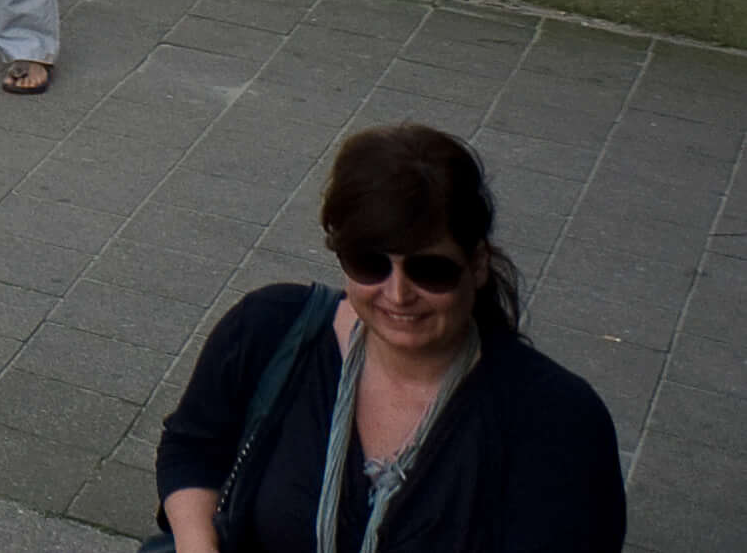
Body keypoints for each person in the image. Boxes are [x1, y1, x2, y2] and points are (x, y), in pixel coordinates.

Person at [152, 123, 625, 553]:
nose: (398, 294)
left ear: (477, 263)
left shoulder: (558, 422)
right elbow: (194, 446)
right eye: (370, 264)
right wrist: (197, 544)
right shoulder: (269, 330)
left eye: (430, 270)